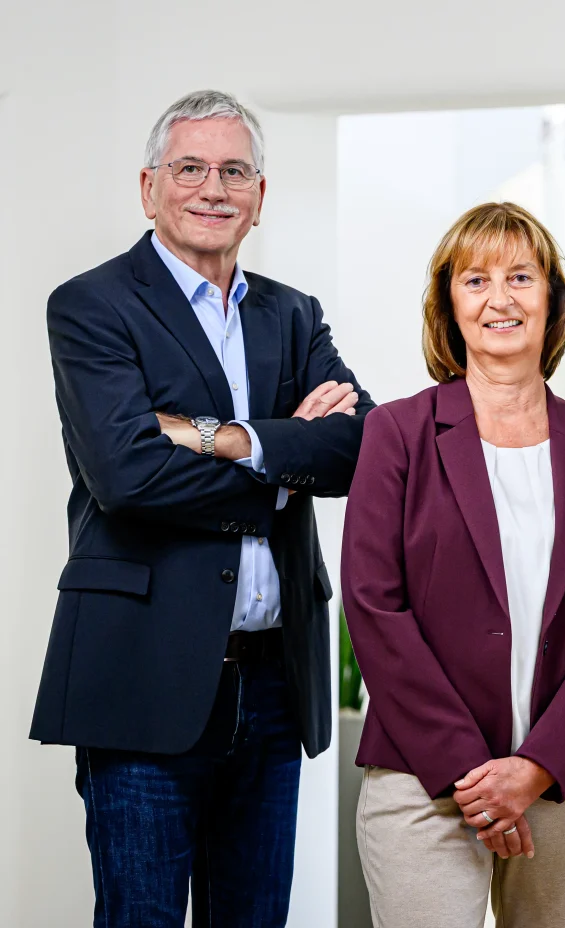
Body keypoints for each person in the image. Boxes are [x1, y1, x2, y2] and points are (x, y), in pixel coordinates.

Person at [29, 89, 374, 928]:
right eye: (190, 168)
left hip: (272, 678)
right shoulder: (92, 305)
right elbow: (128, 477)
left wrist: (216, 438)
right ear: (150, 187)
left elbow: (356, 447)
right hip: (142, 671)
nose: (211, 188)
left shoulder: (293, 315)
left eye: (233, 170)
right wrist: (284, 446)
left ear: (260, 195)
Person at [341, 202, 565, 928]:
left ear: (552, 300)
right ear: (449, 305)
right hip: (425, 783)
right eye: (476, 280)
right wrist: (474, 777)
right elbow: (374, 607)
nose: (500, 298)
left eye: (521, 276)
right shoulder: (396, 434)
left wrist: (536, 767)